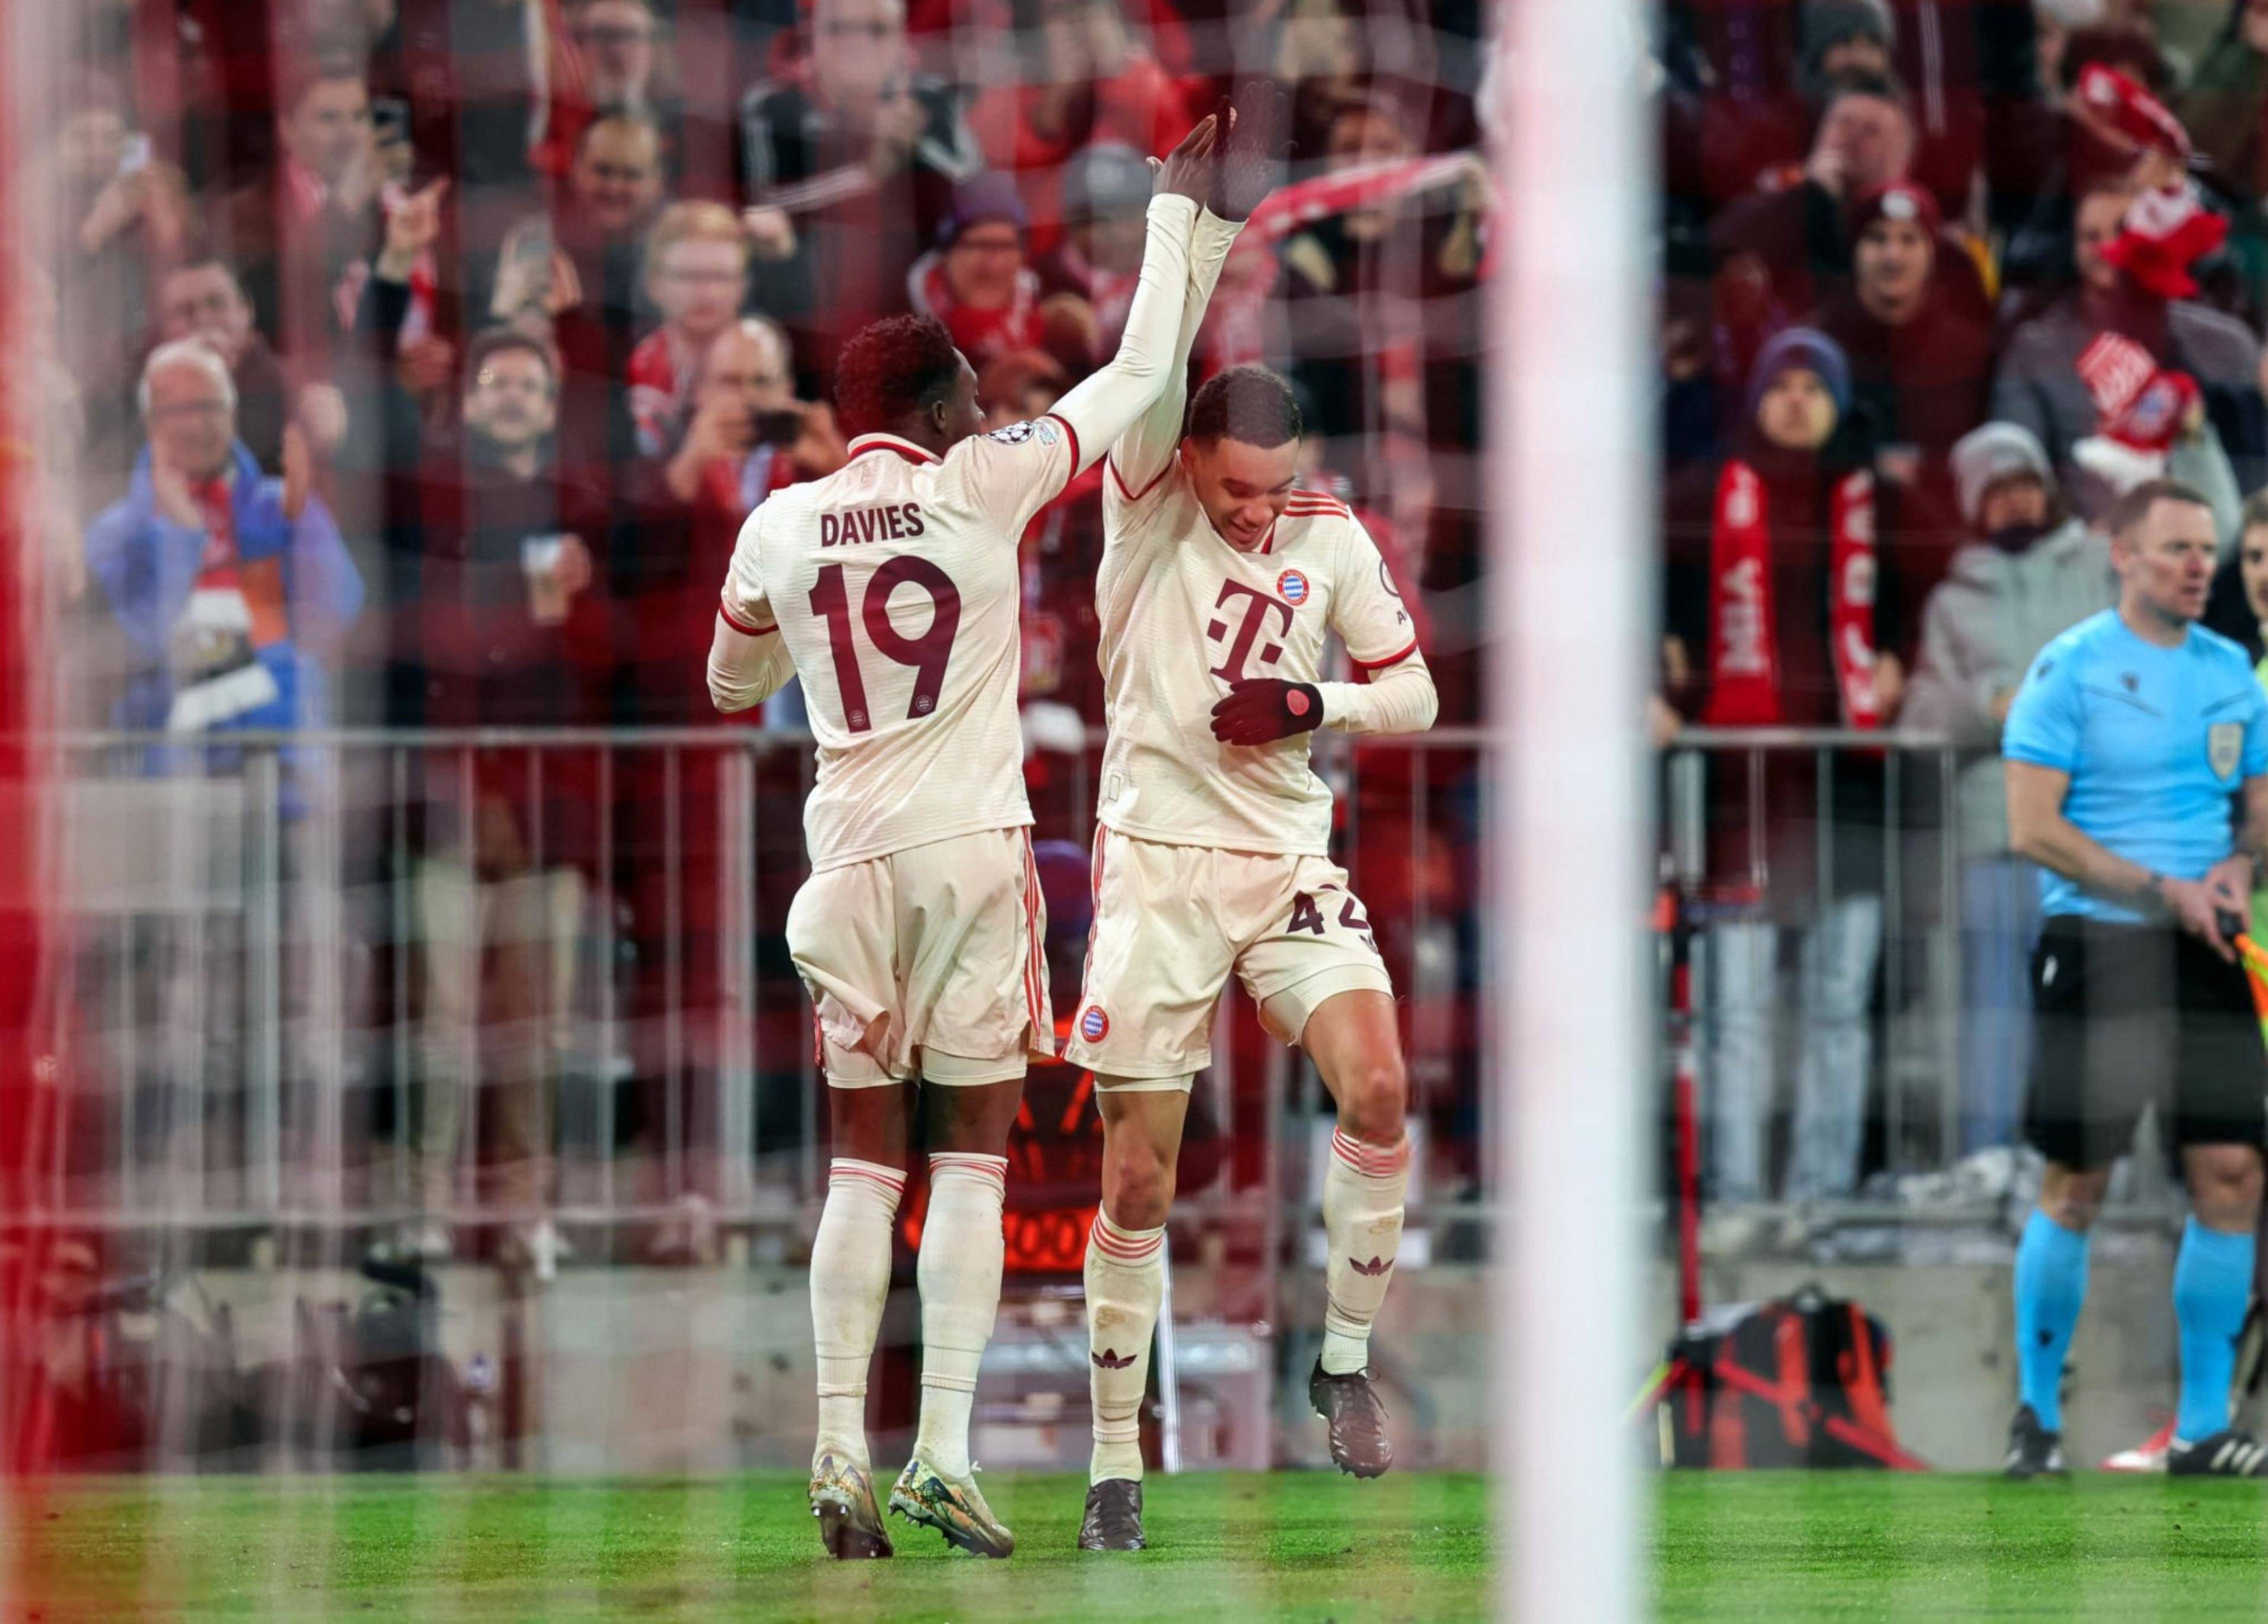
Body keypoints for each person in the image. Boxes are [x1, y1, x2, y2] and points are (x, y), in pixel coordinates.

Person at [707, 111, 1223, 1562]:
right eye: (969, 393)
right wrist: (1175, 224)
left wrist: (793, 641)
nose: (982, 404)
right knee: (976, 1161)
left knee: (860, 1163)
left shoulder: (779, 523)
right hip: (971, 855)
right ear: (940, 411)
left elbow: (730, 683)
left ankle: (833, 1446)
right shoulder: (982, 476)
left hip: (844, 867)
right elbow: (1135, 378)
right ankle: (938, 1449)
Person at [1060, 86, 1432, 1552]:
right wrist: (1187, 221)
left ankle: (1337, 1360)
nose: (1254, 516)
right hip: (1154, 864)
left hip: (1283, 858)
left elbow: (1412, 692)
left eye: (1274, 493)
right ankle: (1113, 1463)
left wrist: (1314, 703)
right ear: (1188, 466)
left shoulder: (1327, 537)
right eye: (1236, 491)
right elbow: (1147, 367)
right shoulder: (1146, 499)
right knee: (1135, 1175)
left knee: (1380, 1090)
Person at [2000, 477, 2268, 1479]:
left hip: (2205, 949)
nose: (2200, 567)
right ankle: (2035, 1421)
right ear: (2123, 556)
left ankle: (2201, 1429)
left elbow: (2258, 810)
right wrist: (2161, 888)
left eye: (2207, 549)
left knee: (2232, 1171)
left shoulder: (2232, 673)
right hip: (2099, 944)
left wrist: (2239, 864)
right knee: (2078, 1181)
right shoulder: (2067, 668)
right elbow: (2031, 828)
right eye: (2177, 549)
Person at [1662, 328, 1903, 1215]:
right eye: (1781, 385)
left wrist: (1902, 661)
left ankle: (1822, 1194)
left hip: (1848, 792)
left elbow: (1918, 613)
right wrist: (1662, 679)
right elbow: (1661, 614)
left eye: (1814, 386)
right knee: (1738, 1007)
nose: (1797, 401)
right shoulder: (1702, 497)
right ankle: (1734, 1195)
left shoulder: (1881, 503)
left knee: (1838, 1004)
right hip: (1743, 794)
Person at [382, 329, 605, 1271]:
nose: (512, 395)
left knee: (536, 1027)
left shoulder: (584, 509)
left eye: (529, 384)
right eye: (496, 381)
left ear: (552, 407)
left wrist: (580, 607)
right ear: (468, 401)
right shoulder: (430, 499)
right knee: (437, 1022)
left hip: (546, 813)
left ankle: (527, 1213)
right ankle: (423, 1209)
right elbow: (421, 621)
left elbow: (604, 659)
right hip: (445, 799)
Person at [1901, 423, 2116, 1155]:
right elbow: (1920, 714)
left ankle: (2083, 1166)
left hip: (2091, 832)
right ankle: (1989, 1158)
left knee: (2094, 1008)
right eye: (1997, 492)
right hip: (1993, 834)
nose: (2016, 501)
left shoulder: (2099, 566)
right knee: (1993, 1008)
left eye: (2025, 484)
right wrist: (1990, 703)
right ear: (1972, 506)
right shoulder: (1951, 601)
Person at [156, 258, 348, 478]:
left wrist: (334, 441)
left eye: (217, 304)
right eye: (185, 311)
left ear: (246, 310)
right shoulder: (138, 400)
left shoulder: (294, 389)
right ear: (163, 328)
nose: (203, 319)